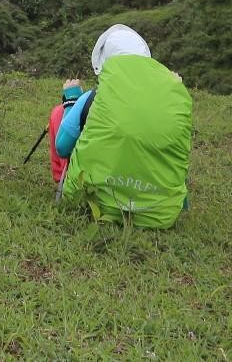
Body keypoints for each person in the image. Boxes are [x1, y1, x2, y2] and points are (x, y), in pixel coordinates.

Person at [54, 24, 192, 228]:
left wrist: (71, 101)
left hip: (90, 202)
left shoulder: (92, 98)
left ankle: (63, 182)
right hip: (160, 215)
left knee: (58, 114)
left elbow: (63, 147)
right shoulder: (175, 101)